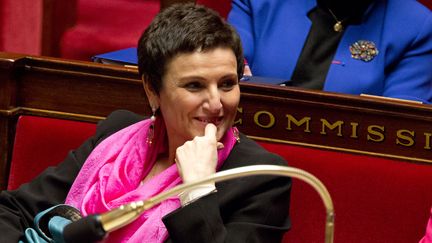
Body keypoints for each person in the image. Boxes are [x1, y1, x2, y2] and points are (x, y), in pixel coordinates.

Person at [0, 3, 291, 243]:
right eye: (194, 86)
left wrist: (198, 190)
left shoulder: (260, 177)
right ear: (153, 90)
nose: (216, 103)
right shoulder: (117, 133)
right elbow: (11, 209)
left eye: (227, 84)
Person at [228, 0, 432, 103]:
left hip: (350, 159)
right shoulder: (261, 3)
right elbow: (229, 66)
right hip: (253, 142)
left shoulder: (416, 27)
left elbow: (400, 125)